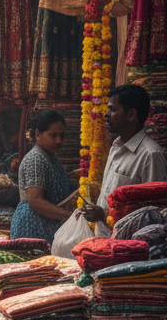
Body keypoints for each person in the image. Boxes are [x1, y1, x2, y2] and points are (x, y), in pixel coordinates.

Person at [82, 84, 167, 226]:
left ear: (131, 115)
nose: (106, 115)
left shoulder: (150, 155)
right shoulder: (116, 146)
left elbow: (154, 213)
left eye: (113, 110)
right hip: (105, 238)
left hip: (129, 243)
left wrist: (103, 214)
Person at [10, 110, 75, 243]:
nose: (59, 141)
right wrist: (69, 216)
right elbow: (35, 200)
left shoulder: (49, 157)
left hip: (45, 223)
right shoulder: (36, 159)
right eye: (53, 136)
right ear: (38, 134)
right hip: (33, 225)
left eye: (61, 136)